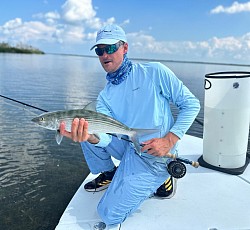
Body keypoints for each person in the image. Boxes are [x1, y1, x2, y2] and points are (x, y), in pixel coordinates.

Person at [60, 24, 200, 225]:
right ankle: (110, 171)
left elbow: (191, 104)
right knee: (87, 127)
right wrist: (89, 136)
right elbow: (106, 136)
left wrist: (169, 140)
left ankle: (164, 177)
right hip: (131, 145)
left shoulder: (154, 72)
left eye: (110, 48)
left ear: (125, 48)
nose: (104, 55)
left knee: (108, 214)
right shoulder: (105, 97)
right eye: (100, 50)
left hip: (156, 153)